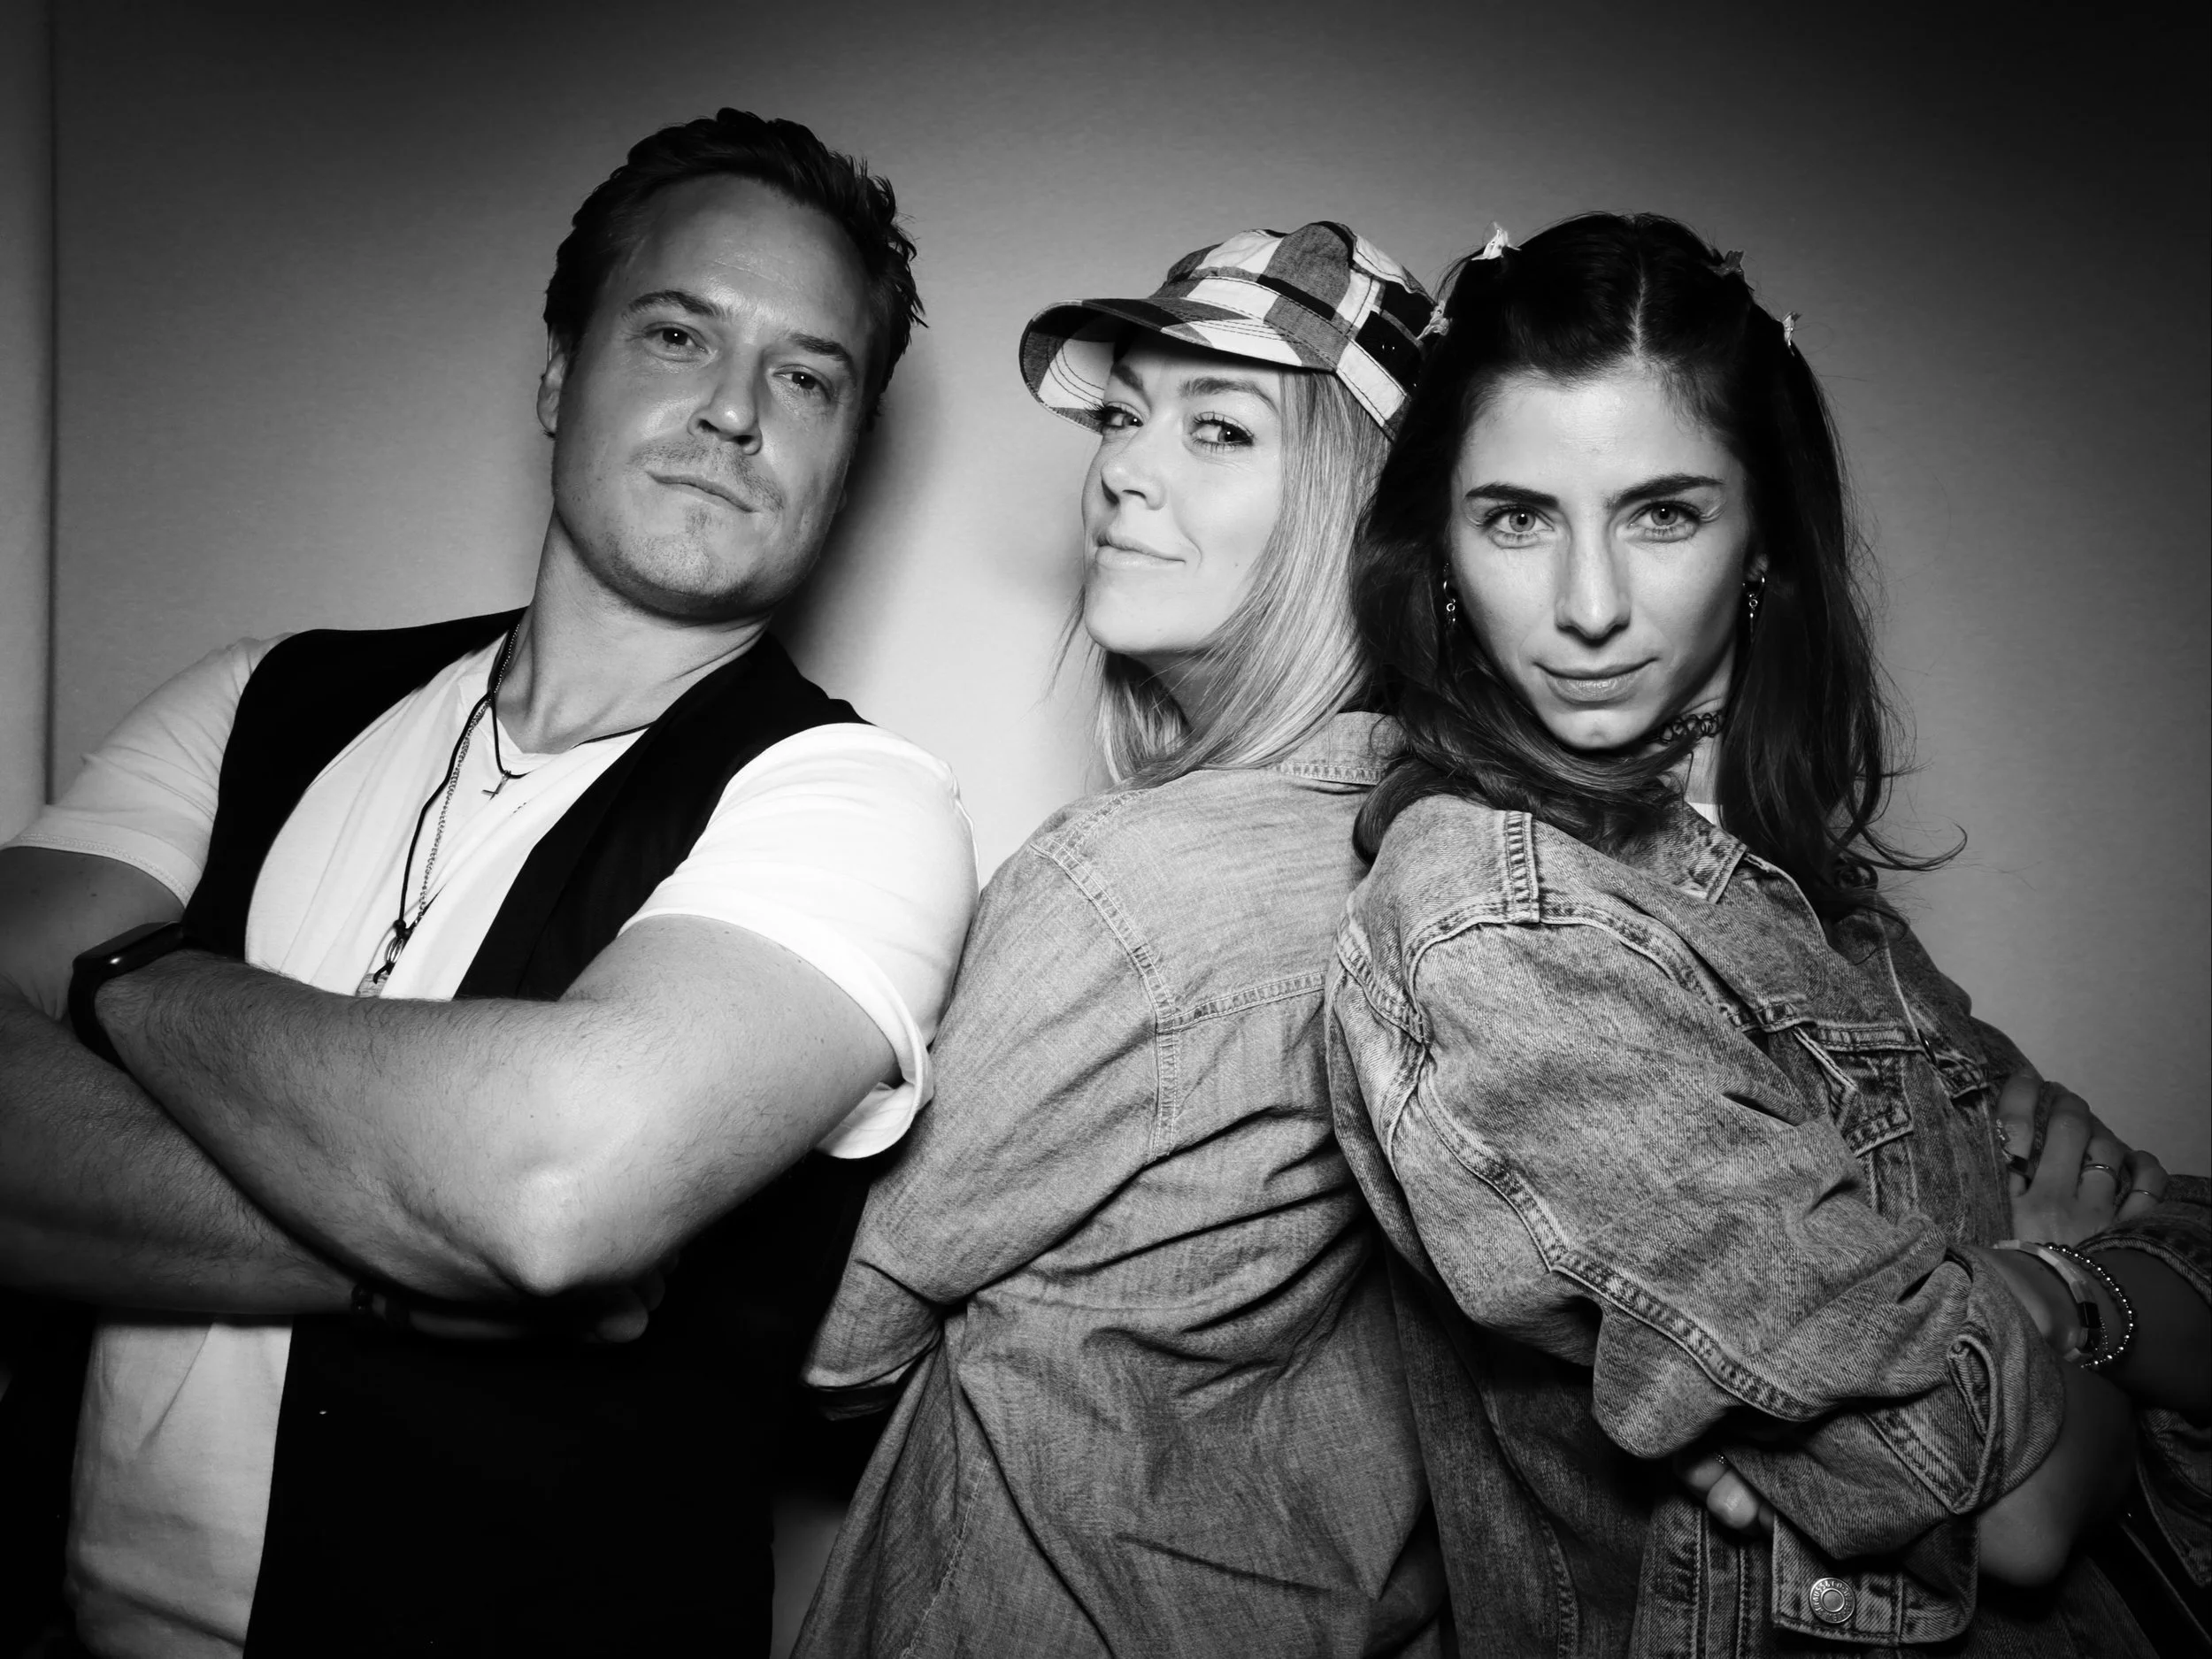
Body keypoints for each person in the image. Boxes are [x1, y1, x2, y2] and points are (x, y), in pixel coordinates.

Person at [0, 109, 977, 1658]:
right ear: (557, 372)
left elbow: (548, 1187)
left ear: (844, 455)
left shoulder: (862, 800)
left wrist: (127, 979)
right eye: (677, 333)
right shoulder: (268, 694)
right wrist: (405, 1256)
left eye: (806, 375)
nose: (735, 412)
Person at [1326, 213, 2209, 1655]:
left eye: (1662, 512)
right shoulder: (1492, 916)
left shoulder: (1800, 895)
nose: (1590, 607)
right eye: (1516, 518)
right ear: (1437, 555)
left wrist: (2045, 1289)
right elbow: (2011, 1501)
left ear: (1761, 546)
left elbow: (2173, 1224)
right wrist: (2073, 1286)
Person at [794, 224, 1449, 1656]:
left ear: (1362, 516)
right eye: (1121, 415)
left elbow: (829, 1337)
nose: (1121, 469)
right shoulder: (1459, 866)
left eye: (1218, 428)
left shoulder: (1127, 893)